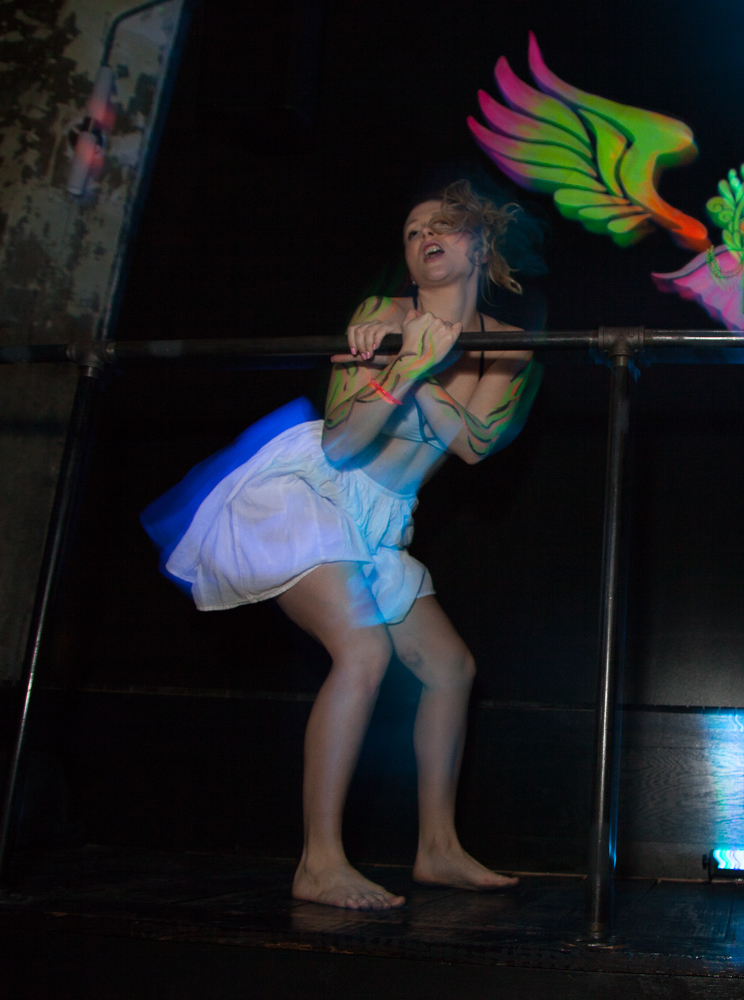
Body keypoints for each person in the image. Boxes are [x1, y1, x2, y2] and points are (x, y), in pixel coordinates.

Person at [143, 180, 542, 909]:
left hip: (383, 518)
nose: (424, 236)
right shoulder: (379, 315)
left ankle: (437, 849)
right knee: (363, 652)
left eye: (442, 224)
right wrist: (403, 363)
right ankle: (318, 863)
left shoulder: (507, 345)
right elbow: (342, 443)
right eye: (412, 230)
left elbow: (477, 445)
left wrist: (418, 370)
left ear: (480, 243)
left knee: (450, 668)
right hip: (314, 491)